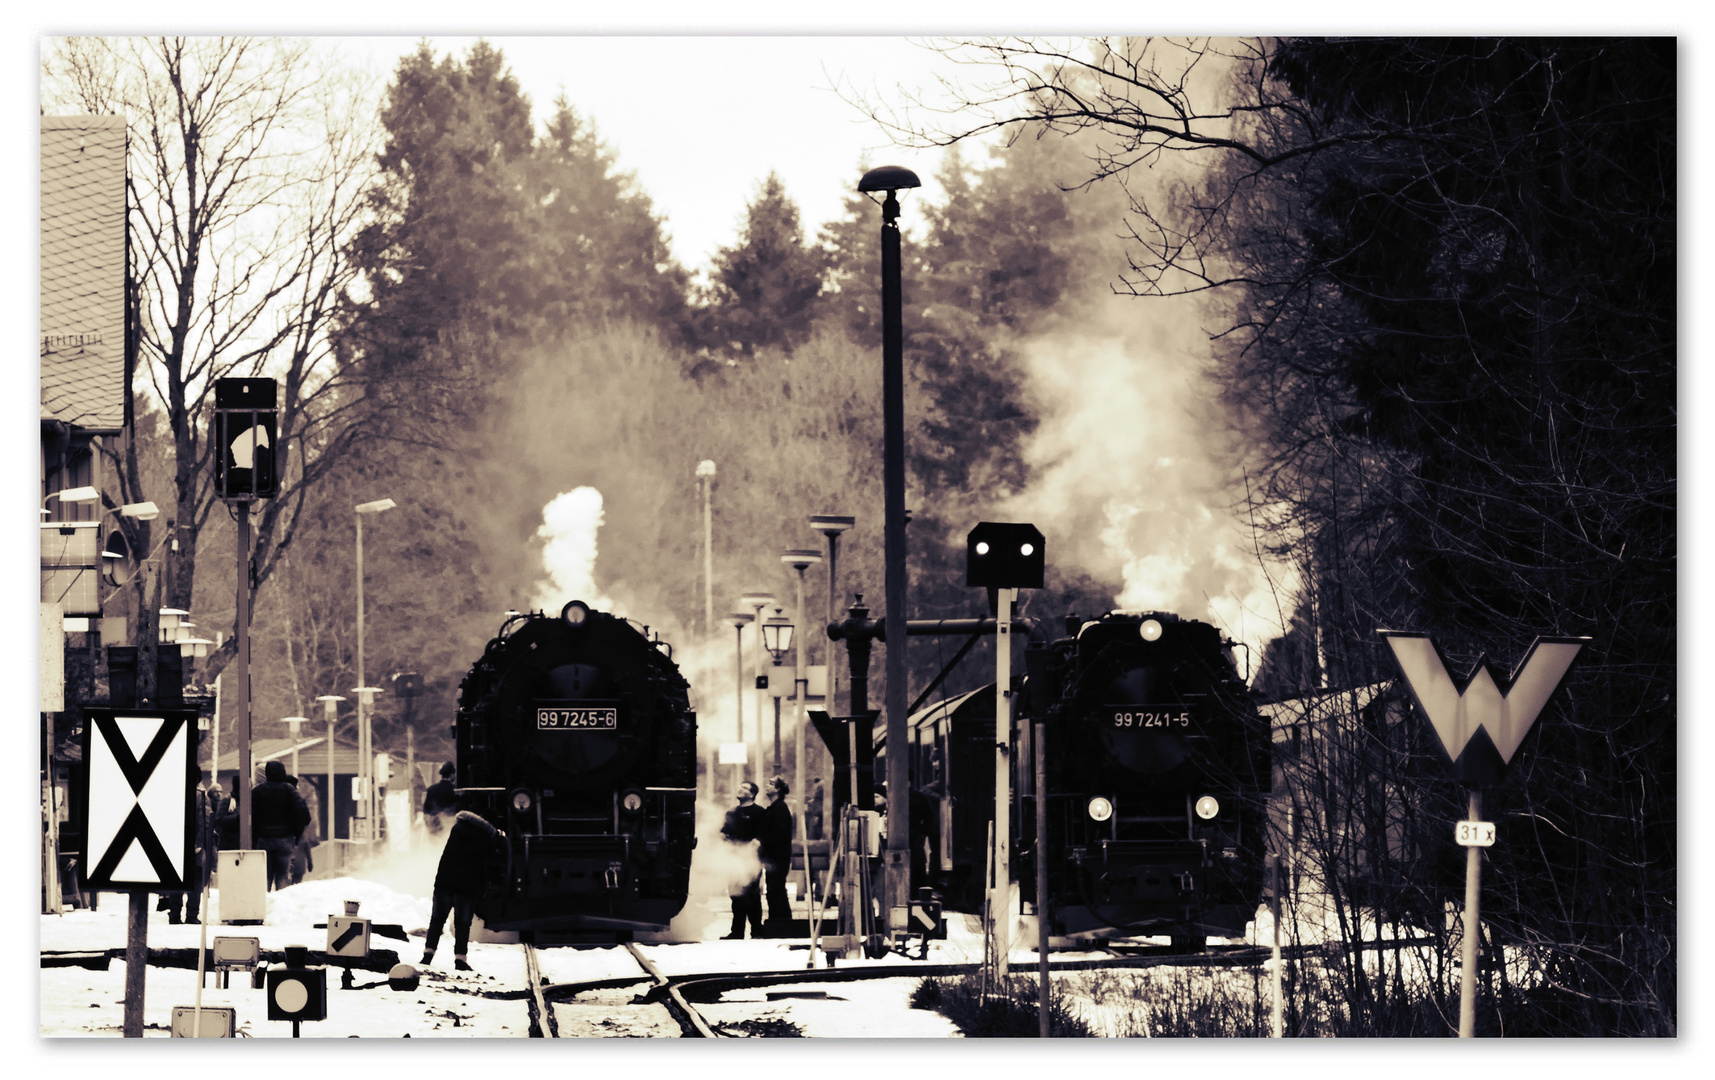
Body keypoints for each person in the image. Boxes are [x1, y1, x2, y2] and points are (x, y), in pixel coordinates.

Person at [422, 810, 506, 972]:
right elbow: (491, 862)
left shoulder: (457, 828)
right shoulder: (485, 837)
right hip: (466, 887)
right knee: (462, 924)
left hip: (444, 883)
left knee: (437, 920)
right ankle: (460, 959)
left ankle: (428, 954)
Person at [158, 778, 220, 924]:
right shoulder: (201, 796)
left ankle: (174, 914)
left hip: (176, 845)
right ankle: (191, 915)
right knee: (196, 880)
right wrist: (199, 843)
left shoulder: (173, 793)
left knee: (176, 880)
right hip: (195, 846)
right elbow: (204, 822)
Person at [251, 760, 311, 891]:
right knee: (283, 875)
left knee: (265, 875)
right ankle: (280, 905)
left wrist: (255, 837)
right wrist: (295, 834)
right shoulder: (290, 790)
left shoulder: (257, 792)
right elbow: (303, 815)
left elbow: (253, 818)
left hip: (264, 839)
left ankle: (263, 905)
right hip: (285, 840)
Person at [720, 782, 765, 939]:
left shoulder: (759, 812)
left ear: (752, 794)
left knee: (752, 895)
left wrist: (755, 845)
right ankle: (737, 931)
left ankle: (757, 931)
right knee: (735, 895)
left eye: (745, 788)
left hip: (751, 859)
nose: (740, 789)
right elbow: (723, 832)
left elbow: (763, 835)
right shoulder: (731, 813)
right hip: (733, 859)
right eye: (740, 786)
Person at [758, 776, 796, 932]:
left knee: (776, 889)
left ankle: (780, 921)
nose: (767, 786)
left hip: (777, 856)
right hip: (774, 855)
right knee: (775, 888)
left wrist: (762, 841)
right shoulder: (775, 807)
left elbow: (779, 832)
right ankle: (781, 920)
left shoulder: (780, 808)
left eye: (771, 784)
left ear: (778, 789)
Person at [291, 776, 320, 885]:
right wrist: (310, 863)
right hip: (300, 866)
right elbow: (307, 847)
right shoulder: (302, 835)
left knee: (283, 878)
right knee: (297, 882)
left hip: (288, 860)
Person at [423, 763, 458, 834]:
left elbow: (426, 810)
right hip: (451, 828)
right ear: (451, 775)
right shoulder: (455, 791)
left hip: (435, 828)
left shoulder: (431, 789)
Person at [805, 777, 825, 841]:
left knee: (815, 828)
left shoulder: (819, 789)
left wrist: (816, 814)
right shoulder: (820, 788)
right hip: (817, 813)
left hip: (818, 813)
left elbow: (818, 803)